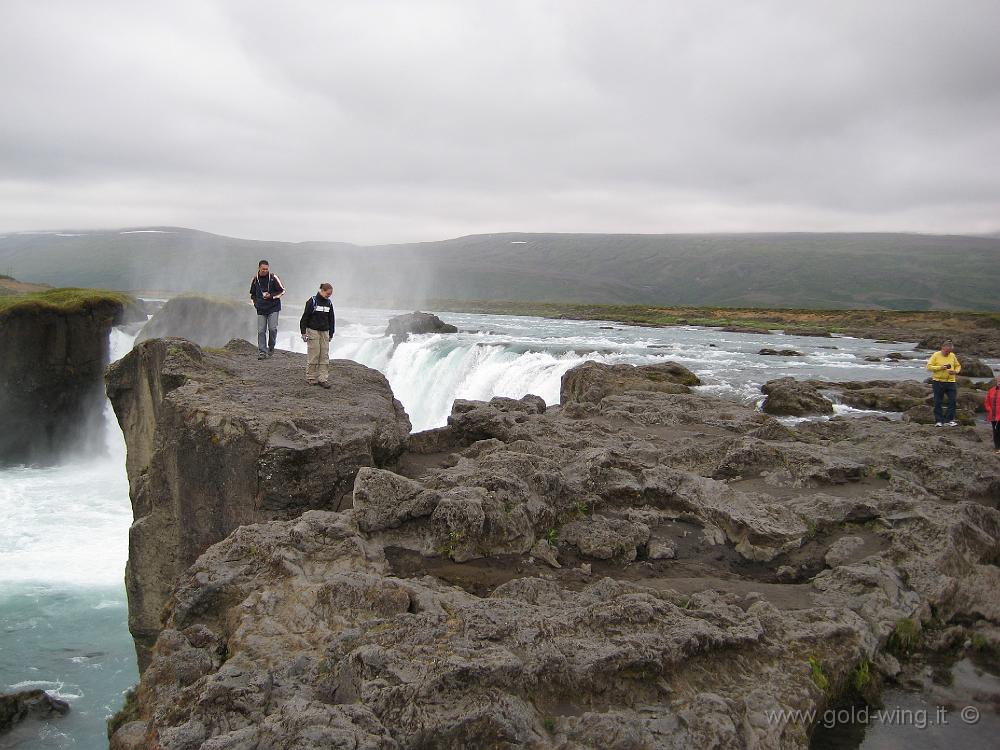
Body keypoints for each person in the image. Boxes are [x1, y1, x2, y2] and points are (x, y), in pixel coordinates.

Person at [299, 282, 336, 388]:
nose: (329, 296)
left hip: (325, 332)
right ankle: (311, 377)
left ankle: (323, 379)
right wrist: (303, 332)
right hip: (313, 331)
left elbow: (331, 319)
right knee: (314, 354)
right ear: (322, 291)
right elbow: (305, 317)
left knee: (324, 355)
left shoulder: (329, 303)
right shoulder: (312, 301)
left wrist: (331, 333)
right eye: (328, 293)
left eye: (330, 294)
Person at [249, 260, 284, 360]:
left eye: (266, 269)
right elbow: (252, 294)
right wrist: (256, 304)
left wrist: (271, 296)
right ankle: (262, 352)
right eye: (263, 269)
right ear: (259, 268)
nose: (265, 271)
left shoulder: (273, 278)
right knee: (261, 331)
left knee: (272, 329)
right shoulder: (255, 279)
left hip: (273, 307)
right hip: (261, 309)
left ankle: (271, 347)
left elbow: (282, 291)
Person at [926, 339, 961, 427]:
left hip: (951, 382)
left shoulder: (952, 355)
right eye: (947, 351)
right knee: (938, 401)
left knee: (953, 400)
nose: (948, 353)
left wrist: (955, 371)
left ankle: (950, 420)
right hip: (938, 381)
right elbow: (929, 367)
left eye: (950, 351)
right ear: (943, 348)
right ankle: (939, 421)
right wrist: (940, 368)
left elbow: (958, 366)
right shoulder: (936, 355)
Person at [985, 374, 1000, 454]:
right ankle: (997, 448)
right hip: (993, 415)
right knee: (995, 431)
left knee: (998, 430)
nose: (999, 382)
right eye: (998, 380)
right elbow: (987, 402)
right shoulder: (991, 390)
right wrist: (989, 409)